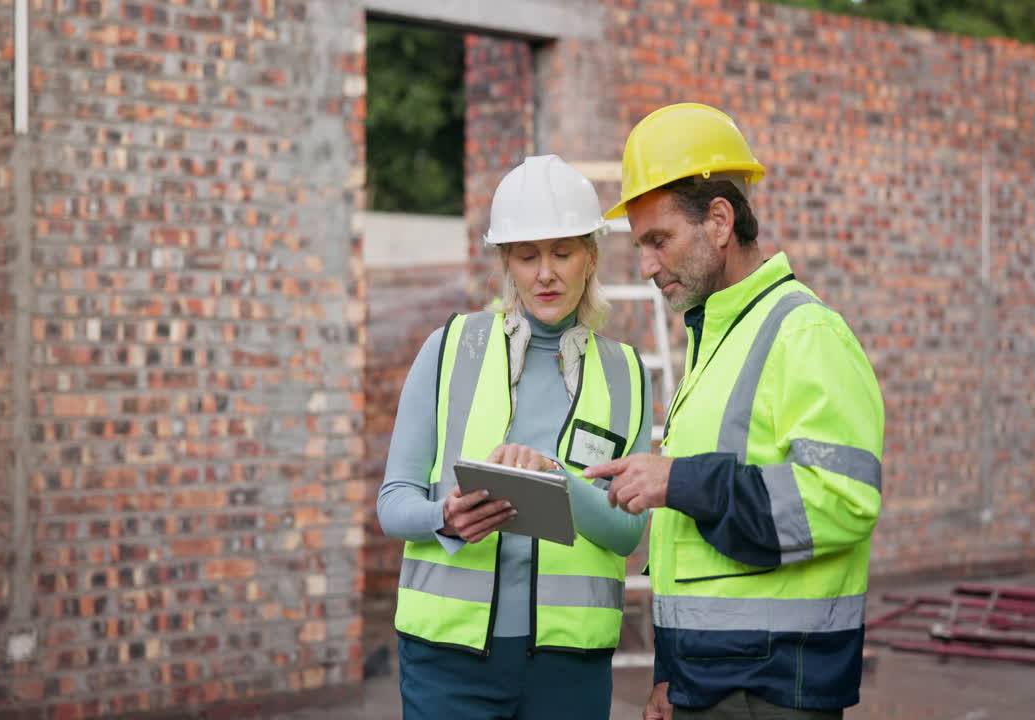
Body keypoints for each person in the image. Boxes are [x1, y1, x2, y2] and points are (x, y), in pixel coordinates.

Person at [584, 103, 885, 719]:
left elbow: (843, 500)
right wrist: (672, 674)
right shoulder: (715, 340)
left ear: (719, 220)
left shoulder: (804, 333)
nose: (645, 266)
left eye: (659, 240)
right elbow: (687, 547)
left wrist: (679, 479)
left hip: (772, 687)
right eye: (642, 245)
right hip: (712, 682)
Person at [376, 154, 653, 720]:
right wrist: (443, 518)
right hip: (447, 664)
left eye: (562, 253)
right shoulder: (449, 350)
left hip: (567, 669)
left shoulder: (627, 374)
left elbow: (627, 533)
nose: (544, 273)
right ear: (507, 260)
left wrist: (554, 479)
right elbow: (392, 502)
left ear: (590, 257)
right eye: (527, 256)